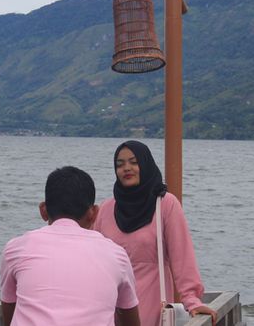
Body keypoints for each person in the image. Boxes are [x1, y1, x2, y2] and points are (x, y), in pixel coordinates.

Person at [93, 140, 217, 326]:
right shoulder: (106, 209)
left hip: (150, 305)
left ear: (146, 164)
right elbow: (92, 260)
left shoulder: (165, 204)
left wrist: (191, 300)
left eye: (134, 162)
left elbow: (182, 258)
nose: (126, 168)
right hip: (110, 308)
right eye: (120, 164)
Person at [0, 166, 141, 326]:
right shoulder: (116, 256)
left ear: (43, 211)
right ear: (94, 213)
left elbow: (8, 316)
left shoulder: (16, 249)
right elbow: (131, 319)